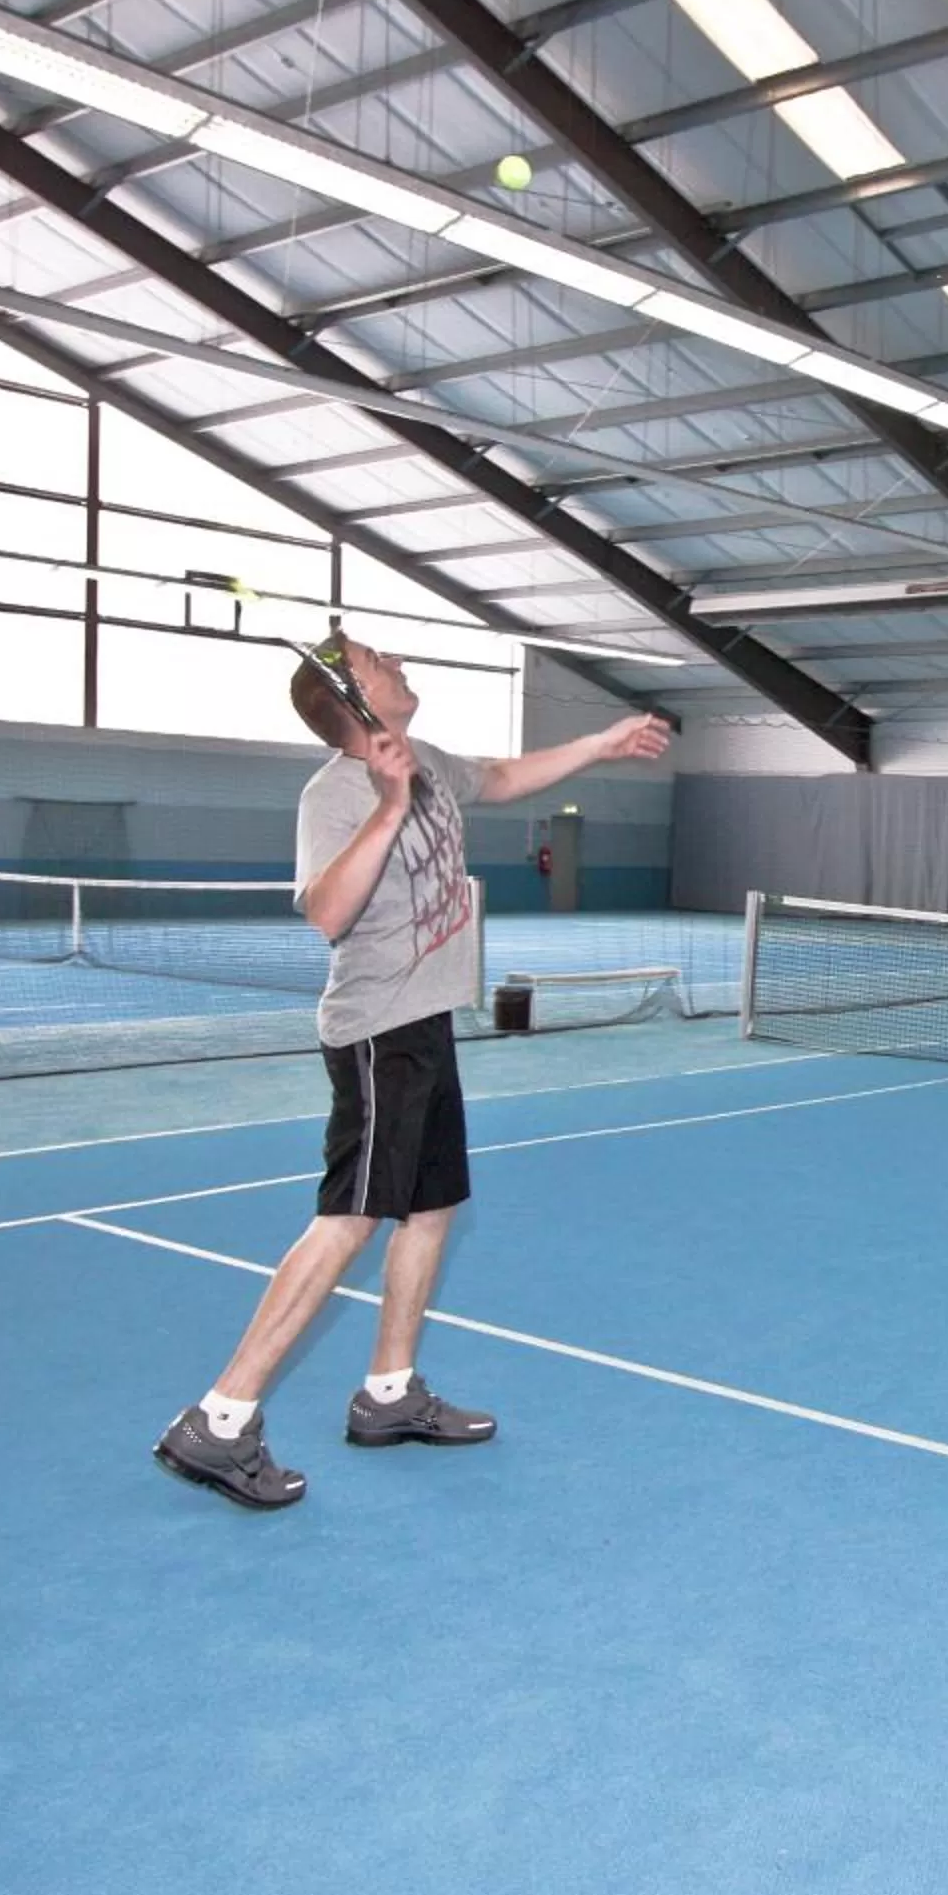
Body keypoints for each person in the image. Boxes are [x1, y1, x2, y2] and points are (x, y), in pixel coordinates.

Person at [154, 634, 669, 1510]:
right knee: (350, 1218)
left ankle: (389, 1396)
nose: (395, 658)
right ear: (353, 696)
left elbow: (500, 778)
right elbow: (326, 912)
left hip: (427, 1021)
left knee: (431, 1209)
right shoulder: (337, 793)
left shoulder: (427, 759)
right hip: (376, 1033)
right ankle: (222, 1418)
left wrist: (600, 744)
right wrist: (388, 804)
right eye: (374, 657)